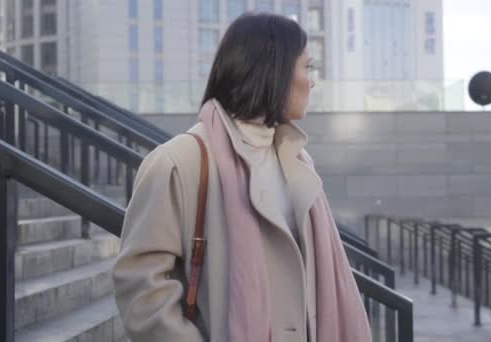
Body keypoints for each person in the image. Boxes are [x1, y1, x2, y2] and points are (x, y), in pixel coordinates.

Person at [113, 13, 372, 342]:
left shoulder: (297, 159)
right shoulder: (180, 162)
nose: (312, 80)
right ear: (274, 71)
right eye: (307, 67)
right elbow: (141, 286)